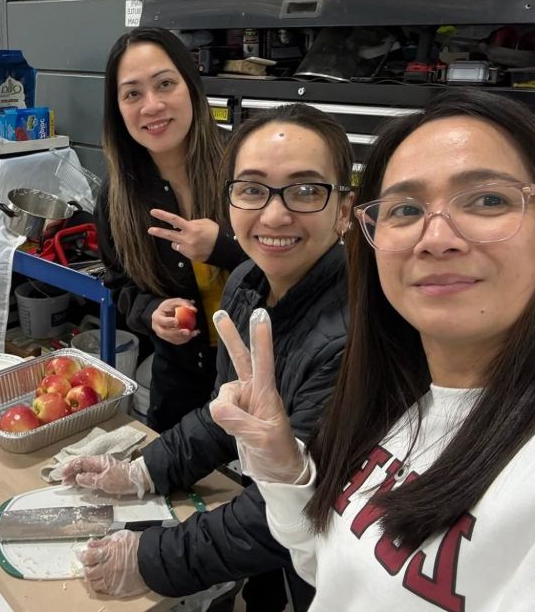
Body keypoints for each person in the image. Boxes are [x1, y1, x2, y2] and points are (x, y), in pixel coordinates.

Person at [209, 88, 535, 611]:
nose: (436, 238)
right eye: (406, 209)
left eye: (488, 200)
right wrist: (286, 472)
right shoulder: (393, 398)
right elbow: (337, 570)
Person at [66, 104, 355, 609]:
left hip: (331, 567)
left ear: (345, 210)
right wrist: (146, 470)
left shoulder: (352, 340)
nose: (274, 215)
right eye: (253, 189)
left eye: (307, 190)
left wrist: (152, 559)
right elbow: (228, 415)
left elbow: (297, 506)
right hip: (270, 538)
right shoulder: (246, 282)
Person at [96, 26, 246, 431]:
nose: (152, 105)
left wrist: (223, 246)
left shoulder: (244, 164)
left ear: (191, 86)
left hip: (263, 376)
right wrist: (151, 312)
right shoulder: (117, 195)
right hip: (181, 385)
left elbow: (300, 266)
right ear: (118, 108)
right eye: (132, 94)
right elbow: (119, 283)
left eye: (165, 84)